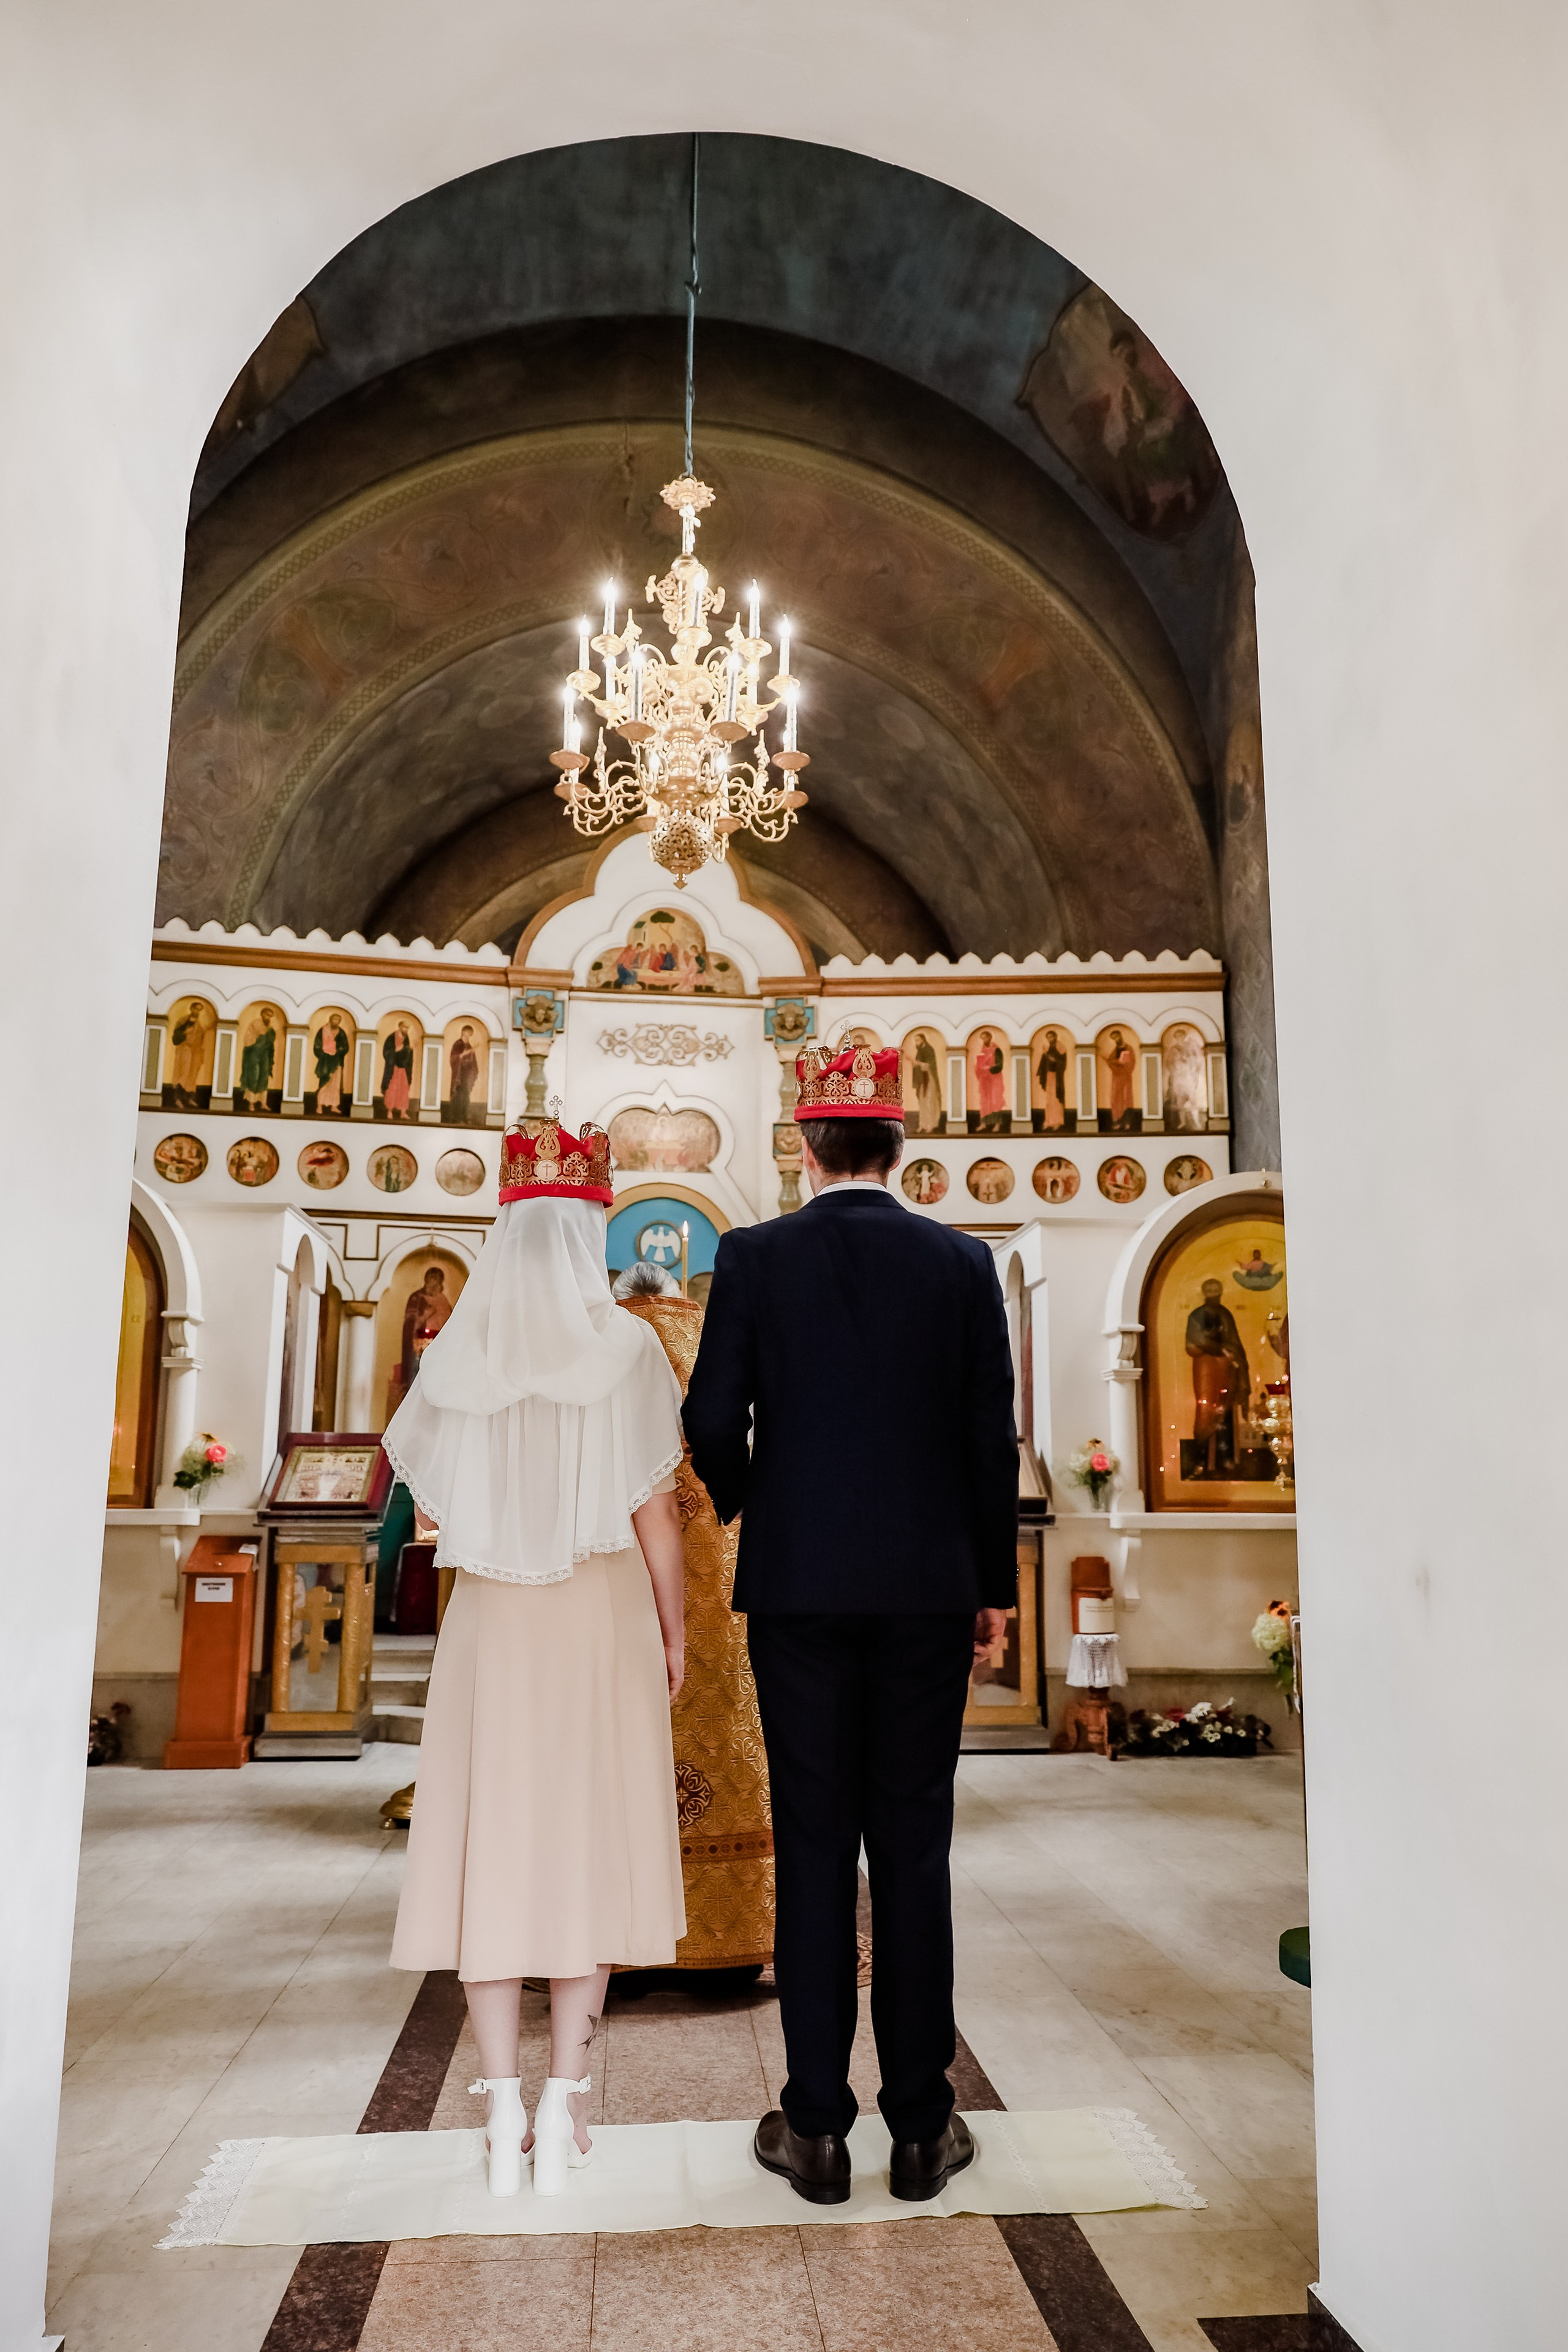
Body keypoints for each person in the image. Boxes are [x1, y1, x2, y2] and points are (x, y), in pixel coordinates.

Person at [684, 1042, 1018, 2207]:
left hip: (800, 1591)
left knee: (815, 1843)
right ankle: (924, 2128)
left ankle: (815, 2128)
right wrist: (991, 1586)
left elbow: (710, 1415)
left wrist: (757, 1509)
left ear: (807, 1144)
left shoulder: (755, 1256)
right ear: (899, 1143)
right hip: (930, 1590)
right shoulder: (963, 1262)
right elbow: (990, 1438)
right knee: (915, 1849)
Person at [383, 1114, 688, 2198]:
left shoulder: (456, 1350)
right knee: (586, 1839)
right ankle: (569, 2105)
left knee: (494, 1842)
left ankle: (501, 2104)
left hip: (495, 1619)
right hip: (599, 1611)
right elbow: (655, 1509)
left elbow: (424, 1493)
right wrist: (675, 1627)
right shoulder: (627, 1347)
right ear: (588, 1228)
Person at [612, 1261, 775, 1977]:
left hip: (618, 1565)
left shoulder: (605, 1337)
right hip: (716, 1567)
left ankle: (617, 1950)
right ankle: (730, 1941)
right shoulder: (705, 1334)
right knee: (728, 1734)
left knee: (615, 1749)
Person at [1185, 1276, 1251, 1476]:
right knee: (1205, 1410)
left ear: (1221, 1292)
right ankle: (1201, 1460)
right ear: (1204, 1293)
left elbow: (1234, 1342)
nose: (1213, 1294)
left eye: (1217, 1290)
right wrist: (1222, 1349)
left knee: (1226, 1410)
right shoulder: (1196, 1315)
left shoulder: (1225, 1314)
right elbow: (1195, 1342)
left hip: (1225, 1368)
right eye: (1210, 1290)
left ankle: (1226, 1458)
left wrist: (1233, 1355)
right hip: (1205, 1368)